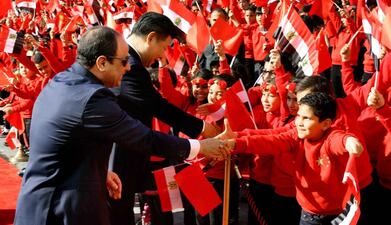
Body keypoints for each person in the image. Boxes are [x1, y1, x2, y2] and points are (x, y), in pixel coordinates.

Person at [13, 26, 228, 225]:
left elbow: (66, 143)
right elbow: (145, 138)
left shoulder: (63, 81)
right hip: (63, 209)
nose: (128, 68)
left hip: (42, 202)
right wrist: (200, 147)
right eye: (124, 61)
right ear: (102, 63)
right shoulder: (92, 99)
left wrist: (98, 171)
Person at [109, 12, 222, 225]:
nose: (163, 54)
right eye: (164, 47)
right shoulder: (130, 66)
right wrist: (202, 130)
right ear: (151, 38)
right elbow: (158, 107)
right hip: (116, 160)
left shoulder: (130, 61)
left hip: (125, 158)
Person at [223, 92, 367, 225]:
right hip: (309, 214)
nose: (299, 122)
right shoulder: (295, 136)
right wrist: (236, 143)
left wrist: (348, 142)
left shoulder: (331, 136)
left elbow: (339, 140)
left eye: (306, 118)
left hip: (339, 213)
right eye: (298, 116)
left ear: (326, 124)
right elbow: (270, 141)